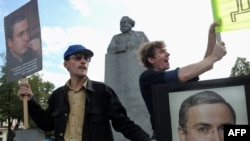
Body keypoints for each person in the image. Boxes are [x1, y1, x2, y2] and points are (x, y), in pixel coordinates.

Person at [17, 44, 152, 141]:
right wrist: (30, 100)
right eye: (78, 57)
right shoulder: (57, 95)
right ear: (66, 64)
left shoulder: (103, 92)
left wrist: (146, 139)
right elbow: (46, 124)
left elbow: (123, 123)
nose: (83, 61)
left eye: (87, 58)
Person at [137, 22, 227, 140]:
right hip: (165, 135)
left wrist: (211, 36)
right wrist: (214, 57)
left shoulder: (172, 77)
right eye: (161, 52)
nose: (168, 53)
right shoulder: (147, 77)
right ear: (151, 59)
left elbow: (205, 65)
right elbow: (183, 75)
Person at [5, 14, 42, 81]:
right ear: (10, 42)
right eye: (20, 34)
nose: (27, 38)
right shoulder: (7, 68)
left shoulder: (33, 51)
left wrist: (39, 53)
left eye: (28, 31)